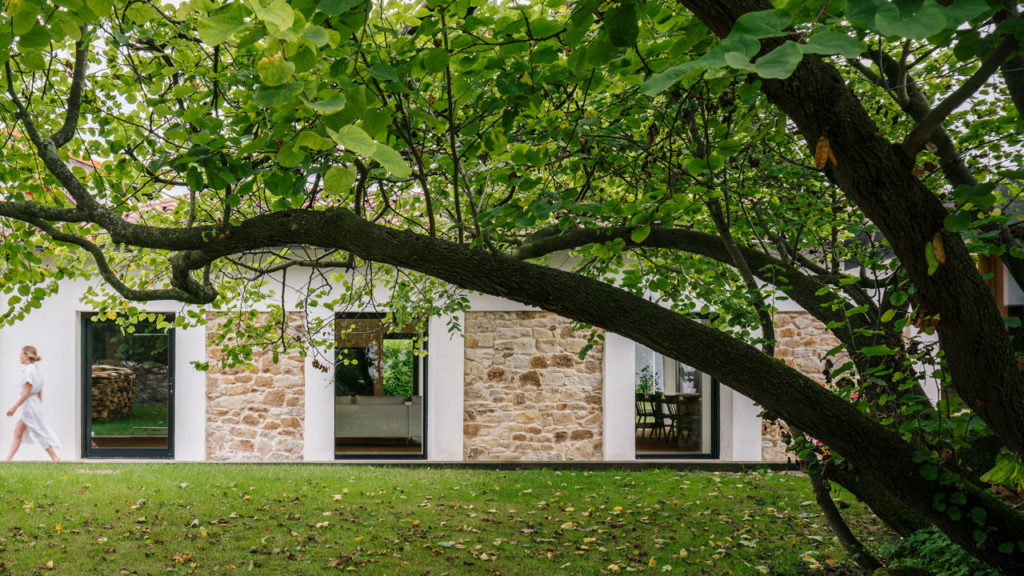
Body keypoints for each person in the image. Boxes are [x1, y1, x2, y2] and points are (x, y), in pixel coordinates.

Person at [5, 346, 60, 461]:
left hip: (29, 405)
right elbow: (40, 391)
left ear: (26, 355)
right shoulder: (35, 369)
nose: (20, 356)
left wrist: (14, 407)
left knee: (38, 431)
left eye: (21, 354)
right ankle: (7, 459)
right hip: (33, 404)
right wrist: (38, 405)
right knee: (18, 432)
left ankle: (54, 457)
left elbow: (27, 392)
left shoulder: (28, 371)